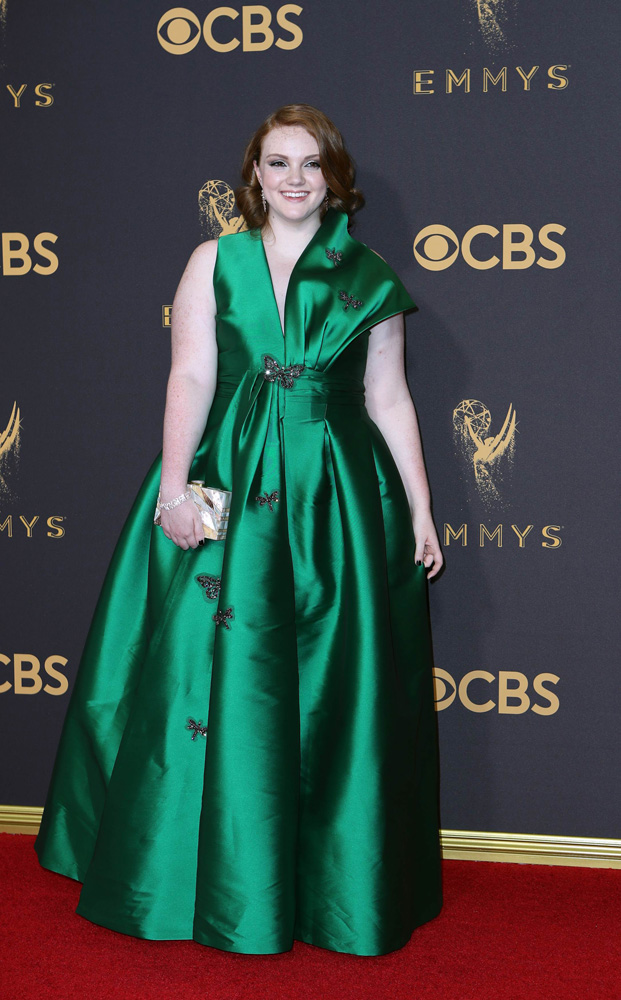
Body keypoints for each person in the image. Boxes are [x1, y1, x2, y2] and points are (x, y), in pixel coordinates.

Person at [34, 103, 444, 956]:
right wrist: (174, 488)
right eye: (277, 163)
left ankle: (328, 881)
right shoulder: (212, 261)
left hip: (336, 492)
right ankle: (183, 872)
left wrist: (419, 507)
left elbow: (389, 398)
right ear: (253, 176)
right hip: (228, 474)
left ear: (335, 179)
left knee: (334, 684)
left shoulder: (370, 276)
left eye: (311, 164)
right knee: (201, 677)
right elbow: (190, 374)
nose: (294, 179)